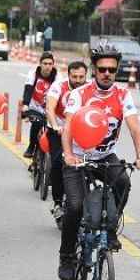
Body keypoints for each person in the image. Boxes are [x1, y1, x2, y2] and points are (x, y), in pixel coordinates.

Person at [56, 43, 140, 280]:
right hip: (78, 157)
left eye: (112, 69)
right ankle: (67, 256)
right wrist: (68, 154)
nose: (107, 73)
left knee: (124, 183)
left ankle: (110, 228)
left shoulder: (122, 95)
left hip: (105, 156)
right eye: (102, 69)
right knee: (75, 207)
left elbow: (135, 128)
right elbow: (67, 129)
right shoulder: (79, 95)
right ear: (94, 70)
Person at [44, 61, 89, 223]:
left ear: (86, 76)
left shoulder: (90, 89)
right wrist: (55, 125)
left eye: (81, 77)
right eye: (74, 76)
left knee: (90, 164)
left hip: (80, 132)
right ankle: (57, 203)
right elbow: (50, 108)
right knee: (58, 163)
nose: (78, 80)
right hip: (59, 131)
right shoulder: (58, 86)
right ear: (68, 75)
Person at [20, 51, 60, 158]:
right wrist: (25, 105)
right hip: (35, 107)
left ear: (53, 65)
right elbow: (28, 89)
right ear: (40, 64)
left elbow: (60, 94)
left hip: (50, 109)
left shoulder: (57, 77)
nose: (47, 66)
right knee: (36, 123)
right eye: (45, 63)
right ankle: (31, 146)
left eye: (50, 64)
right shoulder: (33, 73)